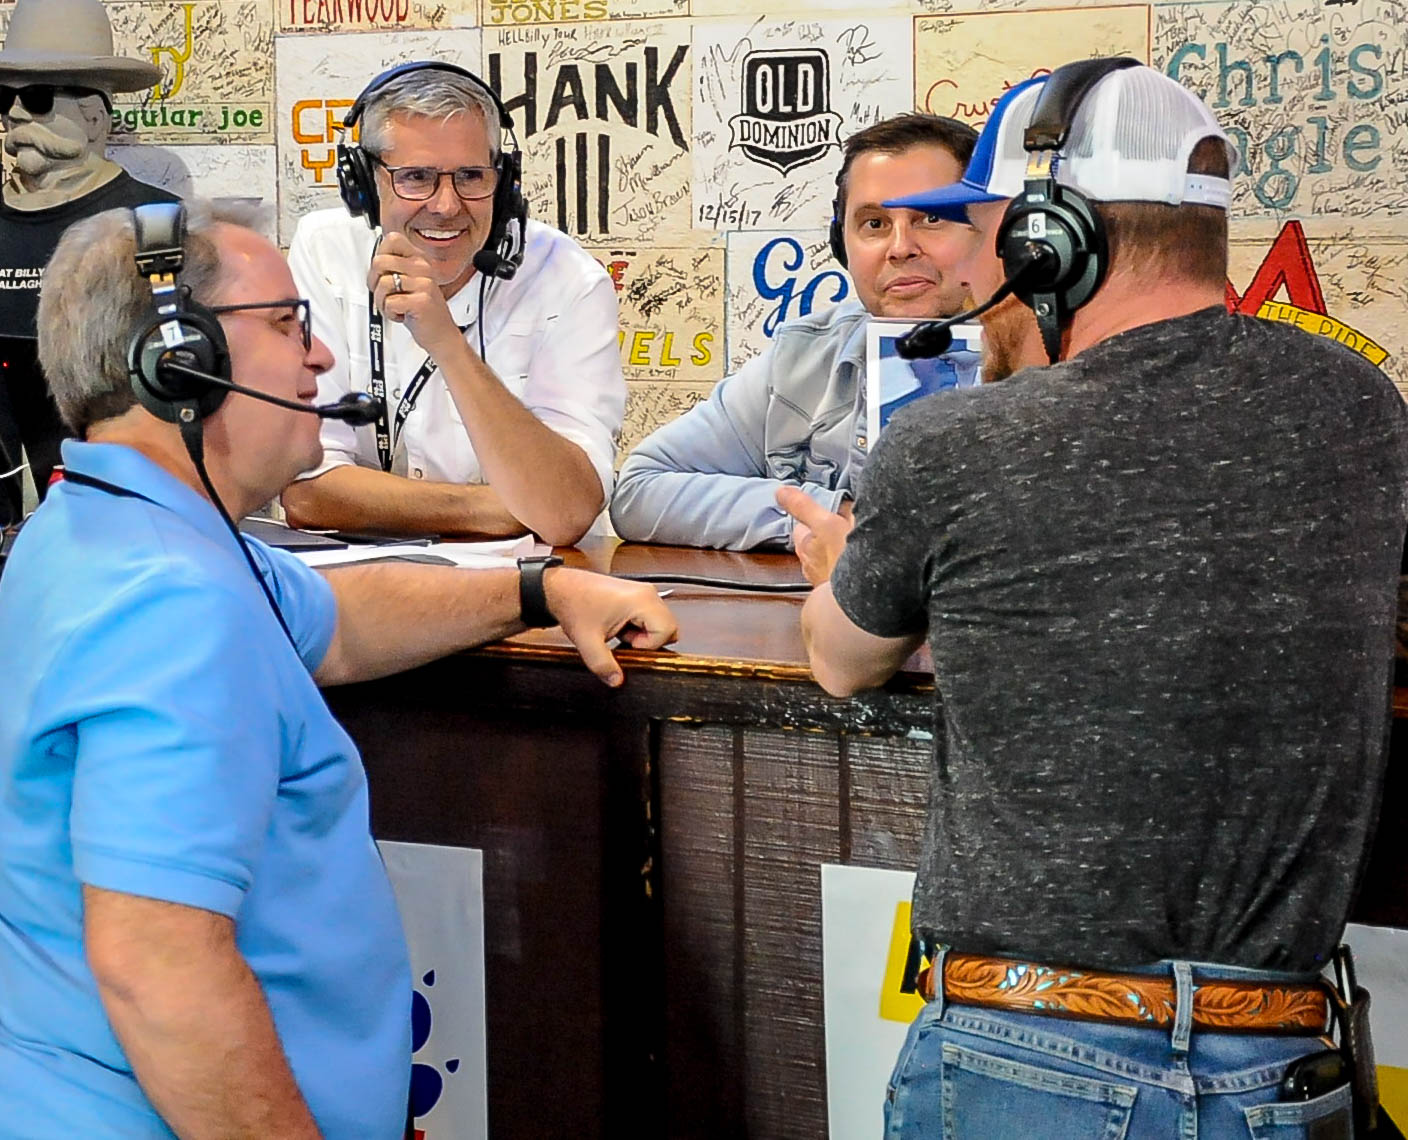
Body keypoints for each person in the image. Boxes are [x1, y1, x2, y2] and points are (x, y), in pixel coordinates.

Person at [784, 61, 1407, 1136]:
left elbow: (840, 660)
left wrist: (847, 558)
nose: (969, 264)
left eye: (984, 231)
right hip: (1285, 1070)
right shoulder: (1360, 406)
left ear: (1048, 243)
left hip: (1023, 1059)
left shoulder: (953, 446)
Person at [0, 200, 676, 1138]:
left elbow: (338, 622)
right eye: (287, 324)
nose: (319, 358)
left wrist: (539, 590)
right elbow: (159, 966)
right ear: (181, 363)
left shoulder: (104, 527)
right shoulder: (172, 604)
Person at [281, 61, 623, 547]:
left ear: (504, 182)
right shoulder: (325, 251)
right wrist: (502, 509)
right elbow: (307, 493)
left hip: (527, 581)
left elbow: (565, 513)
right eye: (416, 177)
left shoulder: (569, 280)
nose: (446, 205)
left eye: (471, 176)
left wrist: (447, 345)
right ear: (365, 184)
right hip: (365, 575)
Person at [609, 114, 979, 551]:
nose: (900, 248)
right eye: (875, 224)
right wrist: (837, 518)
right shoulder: (802, 359)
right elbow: (638, 491)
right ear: (841, 243)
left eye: (931, 218)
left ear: (992, 230)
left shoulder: (1040, 359)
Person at [0, 0, 178, 523]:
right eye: (5, 98)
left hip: (124, 516)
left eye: (37, 99)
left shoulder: (156, 224)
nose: (14, 115)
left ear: (95, 116)